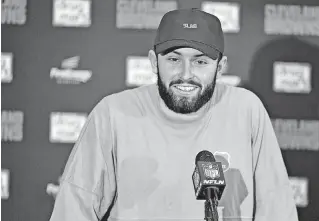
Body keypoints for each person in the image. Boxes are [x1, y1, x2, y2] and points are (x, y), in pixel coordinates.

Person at [49, 8, 298, 221]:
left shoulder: (247, 110)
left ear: (220, 67)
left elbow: (277, 208)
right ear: (153, 62)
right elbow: (73, 210)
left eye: (200, 62)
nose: (186, 74)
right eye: (173, 59)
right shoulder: (113, 114)